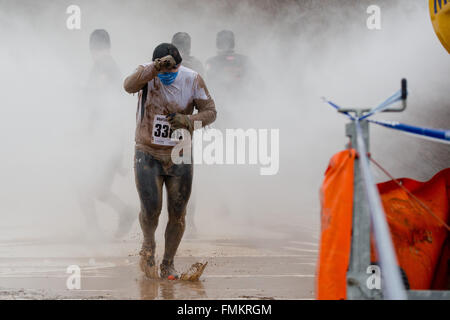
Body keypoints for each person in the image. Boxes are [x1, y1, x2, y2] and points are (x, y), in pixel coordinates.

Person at [123, 43, 217, 279]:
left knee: (178, 213)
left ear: (179, 66)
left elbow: (211, 112)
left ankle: (168, 263)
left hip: (180, 154)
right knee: (151, 209)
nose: (166, 75)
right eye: (163, 70)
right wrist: (154, 68)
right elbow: (128, 86)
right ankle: (148, 245)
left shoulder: (192, 79)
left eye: (170, 70)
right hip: (148, 151)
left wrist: (188, 120)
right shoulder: (146, 73)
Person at [79, 29, 135, 239]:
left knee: (83, 184)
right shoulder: (110, 66)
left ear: (93, 47)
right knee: (96, 187)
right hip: (109, 136)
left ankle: (94, 230)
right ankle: (123, 213)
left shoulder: (104, 67)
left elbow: (99, 100)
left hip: (106, 137)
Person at [205, 30, 251, 98]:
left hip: (221, 100)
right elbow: (255, 81)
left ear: (218, 43)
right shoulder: (245, 60)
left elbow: (208, 82)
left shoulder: (211, 62)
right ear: (233, 42)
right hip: (241, 98)